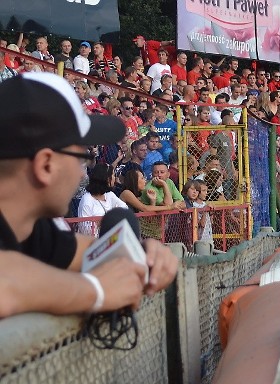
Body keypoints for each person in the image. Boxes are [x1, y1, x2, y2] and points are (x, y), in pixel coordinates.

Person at [0, 73, 177, 317]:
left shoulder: (28, 226)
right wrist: (97, 290)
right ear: (46, 166)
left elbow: (84, 251)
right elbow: (6, 283)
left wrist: (139, 253)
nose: (83, 175)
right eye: (83, 157)